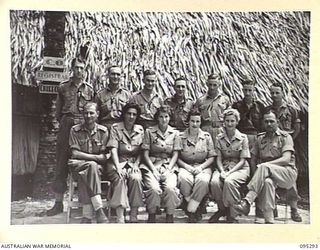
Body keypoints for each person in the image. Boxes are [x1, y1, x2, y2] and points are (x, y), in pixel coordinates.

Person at [47, 57, 95, 216]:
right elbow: (58, 112)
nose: (79, 71)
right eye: (76, 68)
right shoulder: (63, 87)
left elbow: (92, 111)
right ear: (72, 69)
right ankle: (58, 203)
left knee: (84, 162)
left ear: (85, 69)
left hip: (83, 125)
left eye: (81, 68)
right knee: (61, 162)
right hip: (67, 124)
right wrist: (66, 124)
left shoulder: (89, 89)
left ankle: (86, 202)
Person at [234, 111, 298, 224]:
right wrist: (256, 175)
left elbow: (286, 159)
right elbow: (253, 159)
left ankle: (247, 201)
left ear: (277, 122)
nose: (269, 124)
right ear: (263, 123)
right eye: (266, 121)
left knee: (264, 166)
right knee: (267, 182)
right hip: (269, 175)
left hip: (287, 173)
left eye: (272, 121)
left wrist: (266, 166)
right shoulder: (260, 139)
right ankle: (269, 220)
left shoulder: (285, 137)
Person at [67, 102, 109, 223]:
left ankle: (87, 216)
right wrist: (96, 158)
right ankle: (99, 209)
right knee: (91, 166)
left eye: (91, 113)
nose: (88, 115)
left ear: (97, 114)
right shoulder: (75, 130)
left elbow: (104, 157)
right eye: (86, 113)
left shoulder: (103, 131)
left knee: (89, 170)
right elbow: (75, 153)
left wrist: (88, 158)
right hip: (77, 167)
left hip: (95, 170)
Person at [266, 82, 302, 222]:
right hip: (272, 147)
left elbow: (297, 128)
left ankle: (294, 209)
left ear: (282, 93)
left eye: (277, 92)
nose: (274, 95)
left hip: (287, 147)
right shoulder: (267, 110)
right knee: (270, 176)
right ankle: (272, 206)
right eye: (272, 93)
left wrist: (288, 142)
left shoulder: (291, 110)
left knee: (290, 180)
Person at [139, 105, 181, 223]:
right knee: (153, 188)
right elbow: (145, 154)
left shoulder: (175, 133)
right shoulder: (149, 131)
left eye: (166, 117)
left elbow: (175, 154)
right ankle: (152, 215)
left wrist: (168, 169)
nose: (164, 119)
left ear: (169, 118)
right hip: (152, 164)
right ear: (157, 118)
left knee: (170, 188)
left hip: (169, 165)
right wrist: (153, 170)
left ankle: (169, 215)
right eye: (161, 117)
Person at [232, 78, 266, 218]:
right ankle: (237, 209)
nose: (247, 93)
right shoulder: (237, 106)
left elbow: (263, 126)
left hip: (256, 140)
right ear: (242, 90)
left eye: (250, 90)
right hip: (241, 141)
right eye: (245, 90)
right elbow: (234, 125)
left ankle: (259, 208)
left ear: (254, 90)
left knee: (256, 173)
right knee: (241, 173)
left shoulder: (260, 107)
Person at [209, 108, 250, 223]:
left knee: (229, 181)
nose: (230, 123)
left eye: (232, 121)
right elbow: (219, 158)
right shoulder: (219, 138)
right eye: (227, 121)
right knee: (215, 182)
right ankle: (222, 209)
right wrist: (222, 171)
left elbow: (242, 160)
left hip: (240, 168)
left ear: (237, 122)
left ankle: (233, 214)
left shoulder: (243, 138)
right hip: (224, 166)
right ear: (224, 122)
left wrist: (229, 173)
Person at [105, 103, 144, 223]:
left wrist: (137, 164)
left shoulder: (140, 130)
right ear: (124, 114)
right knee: (120, 178)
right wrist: (117, 167)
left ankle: (134, 214)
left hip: (133, 163)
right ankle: (120, 215)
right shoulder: (116, 128)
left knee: (136, 178)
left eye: (134, 114)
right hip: (117, 161)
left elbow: (142, 151)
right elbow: (113, 149)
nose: (131, 117)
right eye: (129, 113)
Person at [177, 109, 216, 223]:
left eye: (197, 121)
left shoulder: (207, 137)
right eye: (192, 121)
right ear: (188, 122)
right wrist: (186, 167)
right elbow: (177, 157)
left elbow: (212, 156)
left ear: (200, 123)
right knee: (184, 179)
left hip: (202, 165)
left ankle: (191, 209)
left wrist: (201, 167)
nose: (195, 124)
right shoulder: (180, 137)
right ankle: (196, 207)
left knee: (203, 181)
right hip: (185, 166)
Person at [193, 73, 230, 144]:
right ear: (207, 84)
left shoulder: (225, 99)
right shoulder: (200, 100)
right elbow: (195, 117)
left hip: (220, 130)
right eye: (210, 84)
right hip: (205, 130)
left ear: (219, 85)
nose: (212, 87)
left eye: (215, 85)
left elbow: (230, 117)